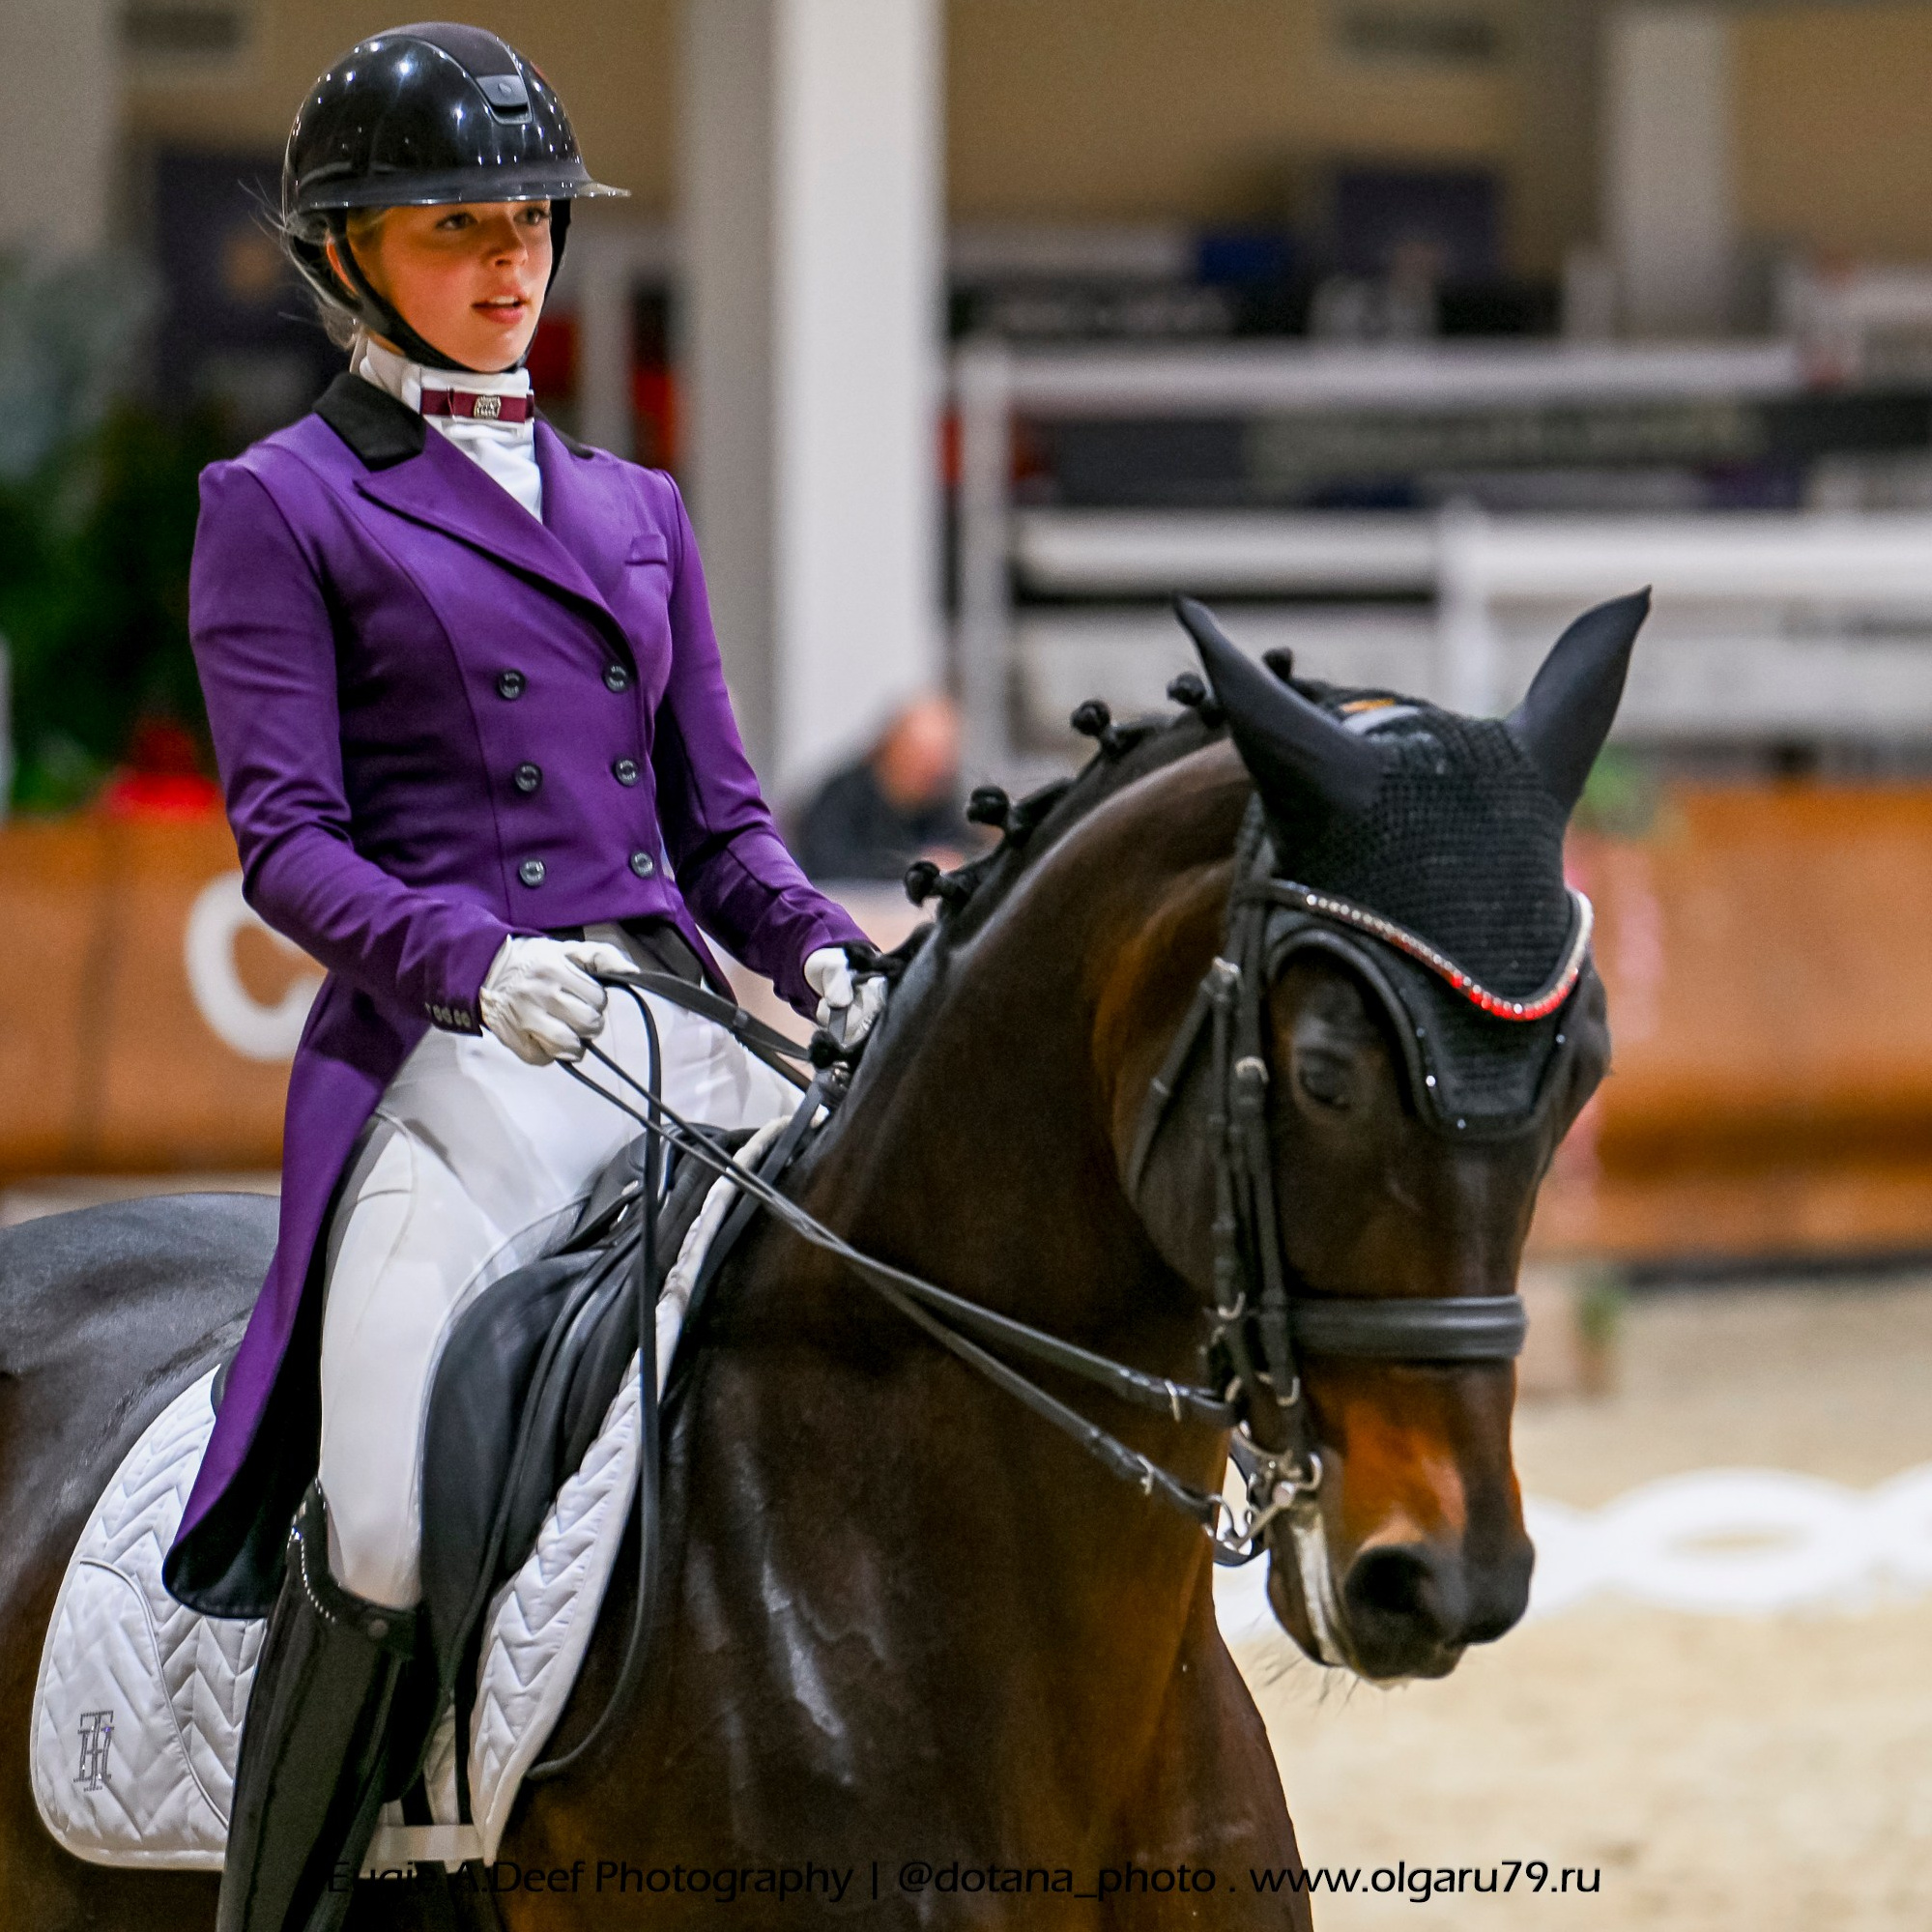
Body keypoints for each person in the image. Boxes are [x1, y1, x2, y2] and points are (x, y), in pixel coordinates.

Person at [159, 26, 887, 1929]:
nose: (509, 266)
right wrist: (472, 965)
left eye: (532, 225)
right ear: (345, 254)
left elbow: (724, 827)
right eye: (452, 226)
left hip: (676, 1036)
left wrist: (825, 949)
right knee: (390, 1513)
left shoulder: (637, 512)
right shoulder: (285, 501)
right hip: (447, 1050)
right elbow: (289, 840)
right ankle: (292, 1900)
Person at [792, 693, 973, 881]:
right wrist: (911, 868)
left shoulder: (939, 800)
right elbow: (829, 867)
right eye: (923, 757)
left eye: (941, 759)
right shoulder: (841, 799)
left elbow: (963, 849)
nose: (935, 770)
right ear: (893, 748)